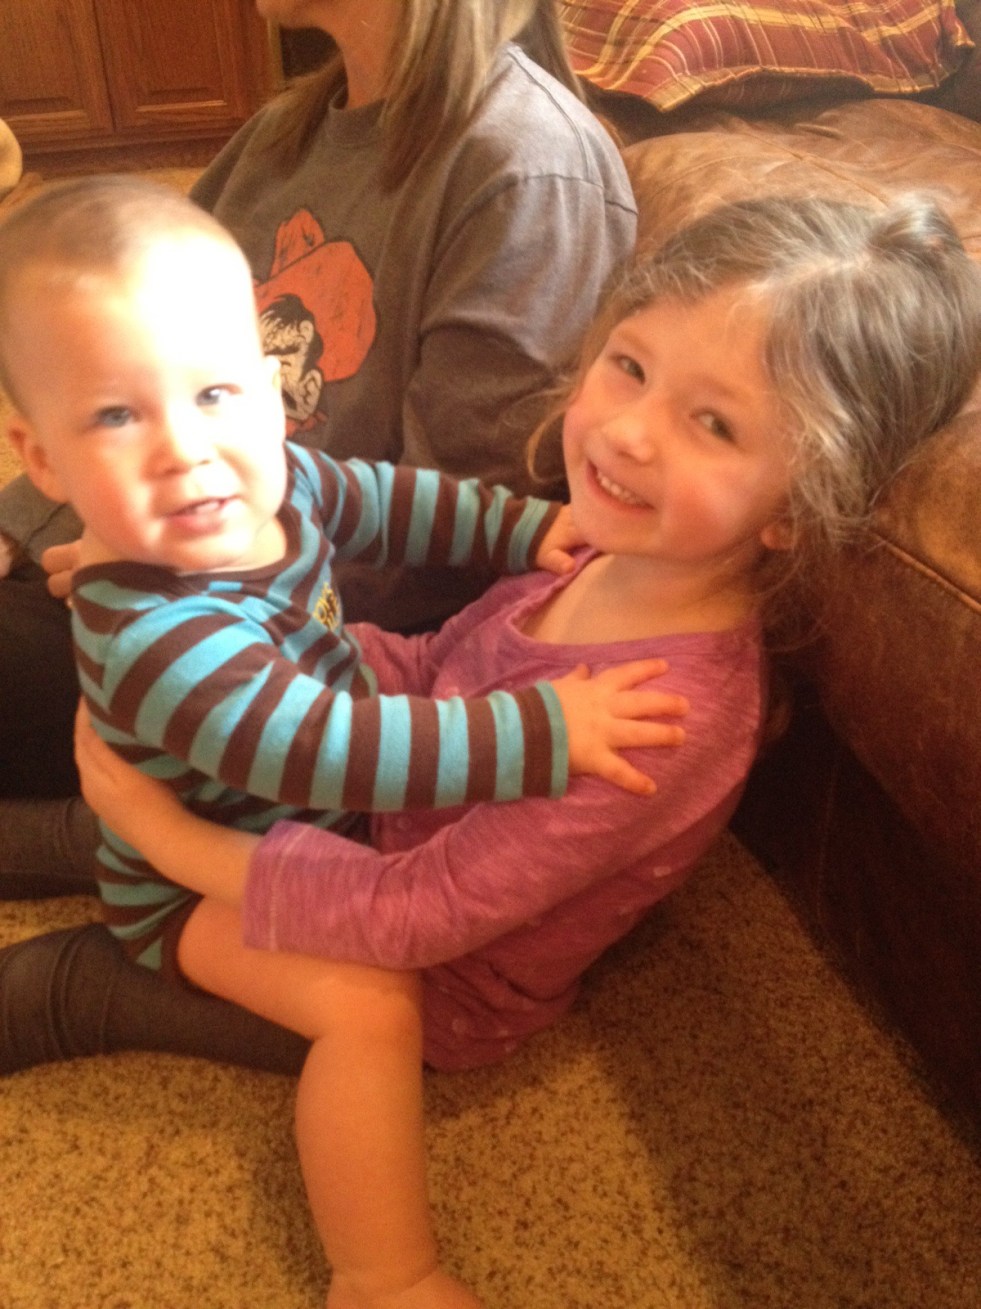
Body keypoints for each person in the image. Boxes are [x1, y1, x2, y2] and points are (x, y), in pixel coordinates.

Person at [9, 190, 981, 1304]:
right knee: (120, 815)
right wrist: (290, 670)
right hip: (329, 820)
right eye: (629, 365)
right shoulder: (607, 555)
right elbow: (438, 662)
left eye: (713, 424)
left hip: (425, 965)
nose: (628, 431)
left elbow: (413, 915)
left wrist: (167, 838)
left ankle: (384, 1276)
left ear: (797, 506)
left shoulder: (658, 721)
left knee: (346, 1006)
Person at [0, 0, 637, 888]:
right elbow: (103, 339)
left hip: (265, 633)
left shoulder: (525, 169)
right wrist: (26, 522)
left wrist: (187, 571)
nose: (186, 437)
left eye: (220, 394)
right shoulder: (282, 131)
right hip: (166, 546)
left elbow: (425, 539)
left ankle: (121, 849)